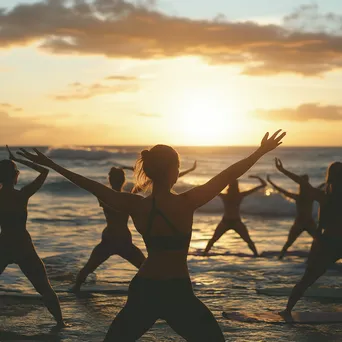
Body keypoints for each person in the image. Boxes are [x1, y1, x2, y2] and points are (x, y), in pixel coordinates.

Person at [17, 129, 285, 341]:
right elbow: (227, 175)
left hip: (145, 287)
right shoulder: (187, 202)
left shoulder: (136, 205)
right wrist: (260, 152)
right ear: (173, 171)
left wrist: (54, 165)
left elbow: (92, 187)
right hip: (176, 290)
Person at [72, 161, 198, 292]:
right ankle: (75, 290)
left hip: (123, 241)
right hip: (111, 240)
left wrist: (188, 171)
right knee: (88, 268)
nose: (119, 181)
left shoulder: (114, 196)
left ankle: (75, 289)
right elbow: (156, 179)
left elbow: (158, 179)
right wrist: (132, 169)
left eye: (119, 178)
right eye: (119, 178)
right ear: (119, 180)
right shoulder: (119, 196)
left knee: (147, 268)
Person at [0, 146, 65, 327]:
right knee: (44, 288)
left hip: (3, 244)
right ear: (16, 176)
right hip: (22, 245)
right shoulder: (22, 195)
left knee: (44, 287)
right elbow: (44, 171)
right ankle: (61, 323)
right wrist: (19, 160)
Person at [279, 162, 342, 320]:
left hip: (328, 242)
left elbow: (302, 184)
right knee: (308, 277)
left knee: (308, 278)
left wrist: (283, 170)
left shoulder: (324, 196)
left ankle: (287, 310)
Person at [268, 158, 325, 259]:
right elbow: (282, 191)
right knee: (289, 242)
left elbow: (322, 186)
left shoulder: (310, 194)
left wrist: (328, 182)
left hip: (309, 222)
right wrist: (271, 183)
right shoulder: (301, 196)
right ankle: (279, 258)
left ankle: (319, 258)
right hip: (299, 222)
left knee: (320, 241)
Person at [204, 175, 267, 256]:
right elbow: (263, 185)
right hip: (230, 222)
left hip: (231, 222)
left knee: (213, 240)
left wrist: (218, 180)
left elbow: (209, 189)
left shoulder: (226, 196)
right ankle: (256, 255)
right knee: (248, 241)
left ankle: (204, 253)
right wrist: (257, 178)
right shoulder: (238, 195)